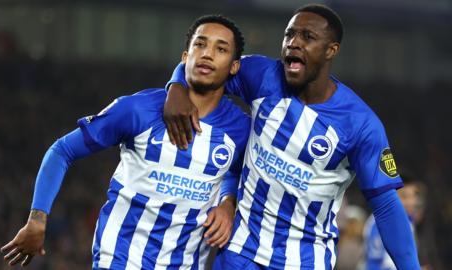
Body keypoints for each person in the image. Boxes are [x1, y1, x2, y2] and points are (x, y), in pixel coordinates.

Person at [163, 4, 420, 269]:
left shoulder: (360, 124)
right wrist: (176, 86)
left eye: (307, 37)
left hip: (305, 261)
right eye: (289, 35)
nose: (294, 43)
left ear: (331, 49)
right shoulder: (262, 76)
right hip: (240, 254)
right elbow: (205, 67)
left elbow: (387, 207)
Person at [0, 14, 250, 269]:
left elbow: (233, 171)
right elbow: (62, 151)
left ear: (234, 66)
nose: (207, 54)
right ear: (185, 56)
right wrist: (37, 218)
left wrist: (227, 202)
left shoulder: (241, 129)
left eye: (221, 49)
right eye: (200, 44)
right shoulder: (138, 109)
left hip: (185, 263)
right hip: (121, 258)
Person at [364, 174, 426, 270]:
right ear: (393, 196)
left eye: (413, 196)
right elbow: (375, 264)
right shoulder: (380, 221)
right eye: (405, 197)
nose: (411, 202)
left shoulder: (409, 222)